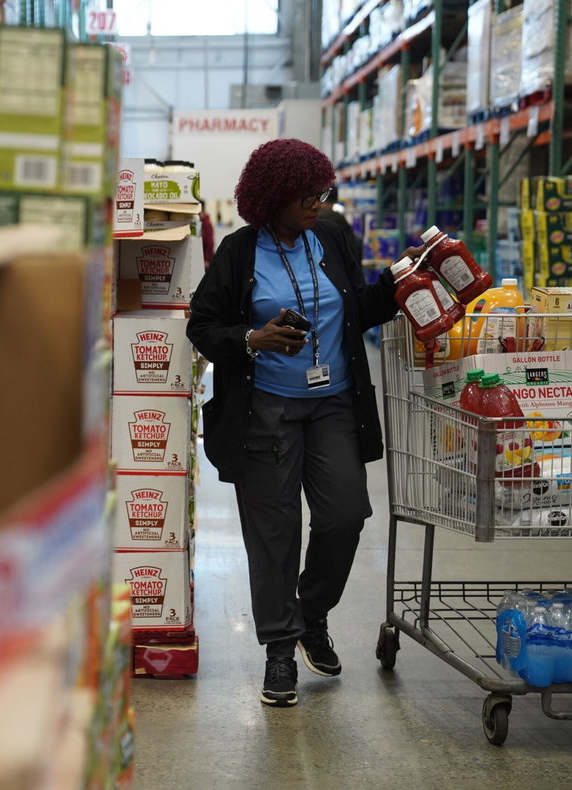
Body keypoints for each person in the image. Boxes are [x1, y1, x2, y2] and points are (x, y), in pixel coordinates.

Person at [186, 138, 402, 708]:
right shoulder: (238, 252)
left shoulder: (330, 237)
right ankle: (280, 650)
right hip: (266, 412)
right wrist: (251, 339)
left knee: (345, 513)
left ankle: (311, 615)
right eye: (306, 195)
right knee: (274, 536)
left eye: (322, 192)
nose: (317, 203)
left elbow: (359, 307)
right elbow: (202, 327)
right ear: (272, 196)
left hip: (334, 403)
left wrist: (404, 282)